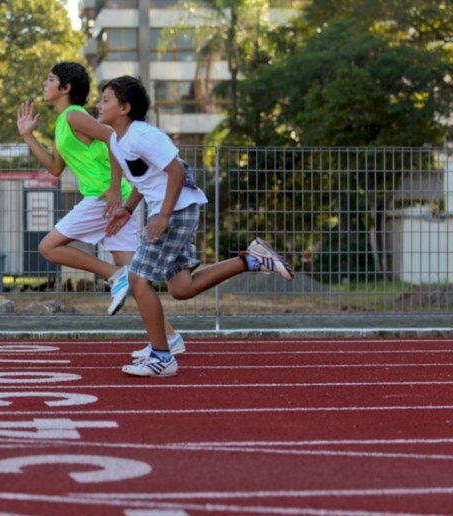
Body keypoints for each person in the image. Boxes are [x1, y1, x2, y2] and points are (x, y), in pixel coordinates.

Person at [98, 75, 294, 377]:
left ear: (124, 107)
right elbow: (143, 181)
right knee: (181, 288)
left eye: (105, 100)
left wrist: (162, 216)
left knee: (137, 280)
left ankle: (162, 356)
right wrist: (127, 209)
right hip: (170, 210)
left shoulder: (143, 136)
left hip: (175, 211)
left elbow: (176, 172)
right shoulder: (117, 139)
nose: (98, 105)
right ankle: (252, 260)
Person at [17, 62, 184, 357]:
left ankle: (112, 274)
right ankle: (169, 338)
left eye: (50, 79)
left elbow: (111, 137)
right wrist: (28, 135)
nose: (45, 83)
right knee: (137, 278)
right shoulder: (61, 125)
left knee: (48, 247)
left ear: (65, 88)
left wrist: (113, 187)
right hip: (109, 200)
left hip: (102, 198)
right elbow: (56, 169)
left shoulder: (74, 115)